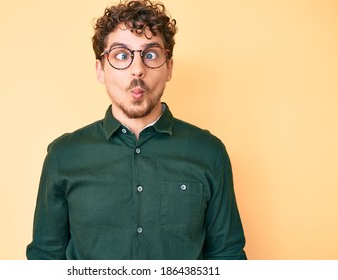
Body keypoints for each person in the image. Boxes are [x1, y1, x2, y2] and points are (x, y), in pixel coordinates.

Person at [26, 0, 246, 260]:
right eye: (121, 55)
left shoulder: (209, 153)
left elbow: (227, 257)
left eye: (150, 54)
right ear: (100, 69)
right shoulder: (63, 156)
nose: (137, 69)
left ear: (169, 68)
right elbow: (44, 259)